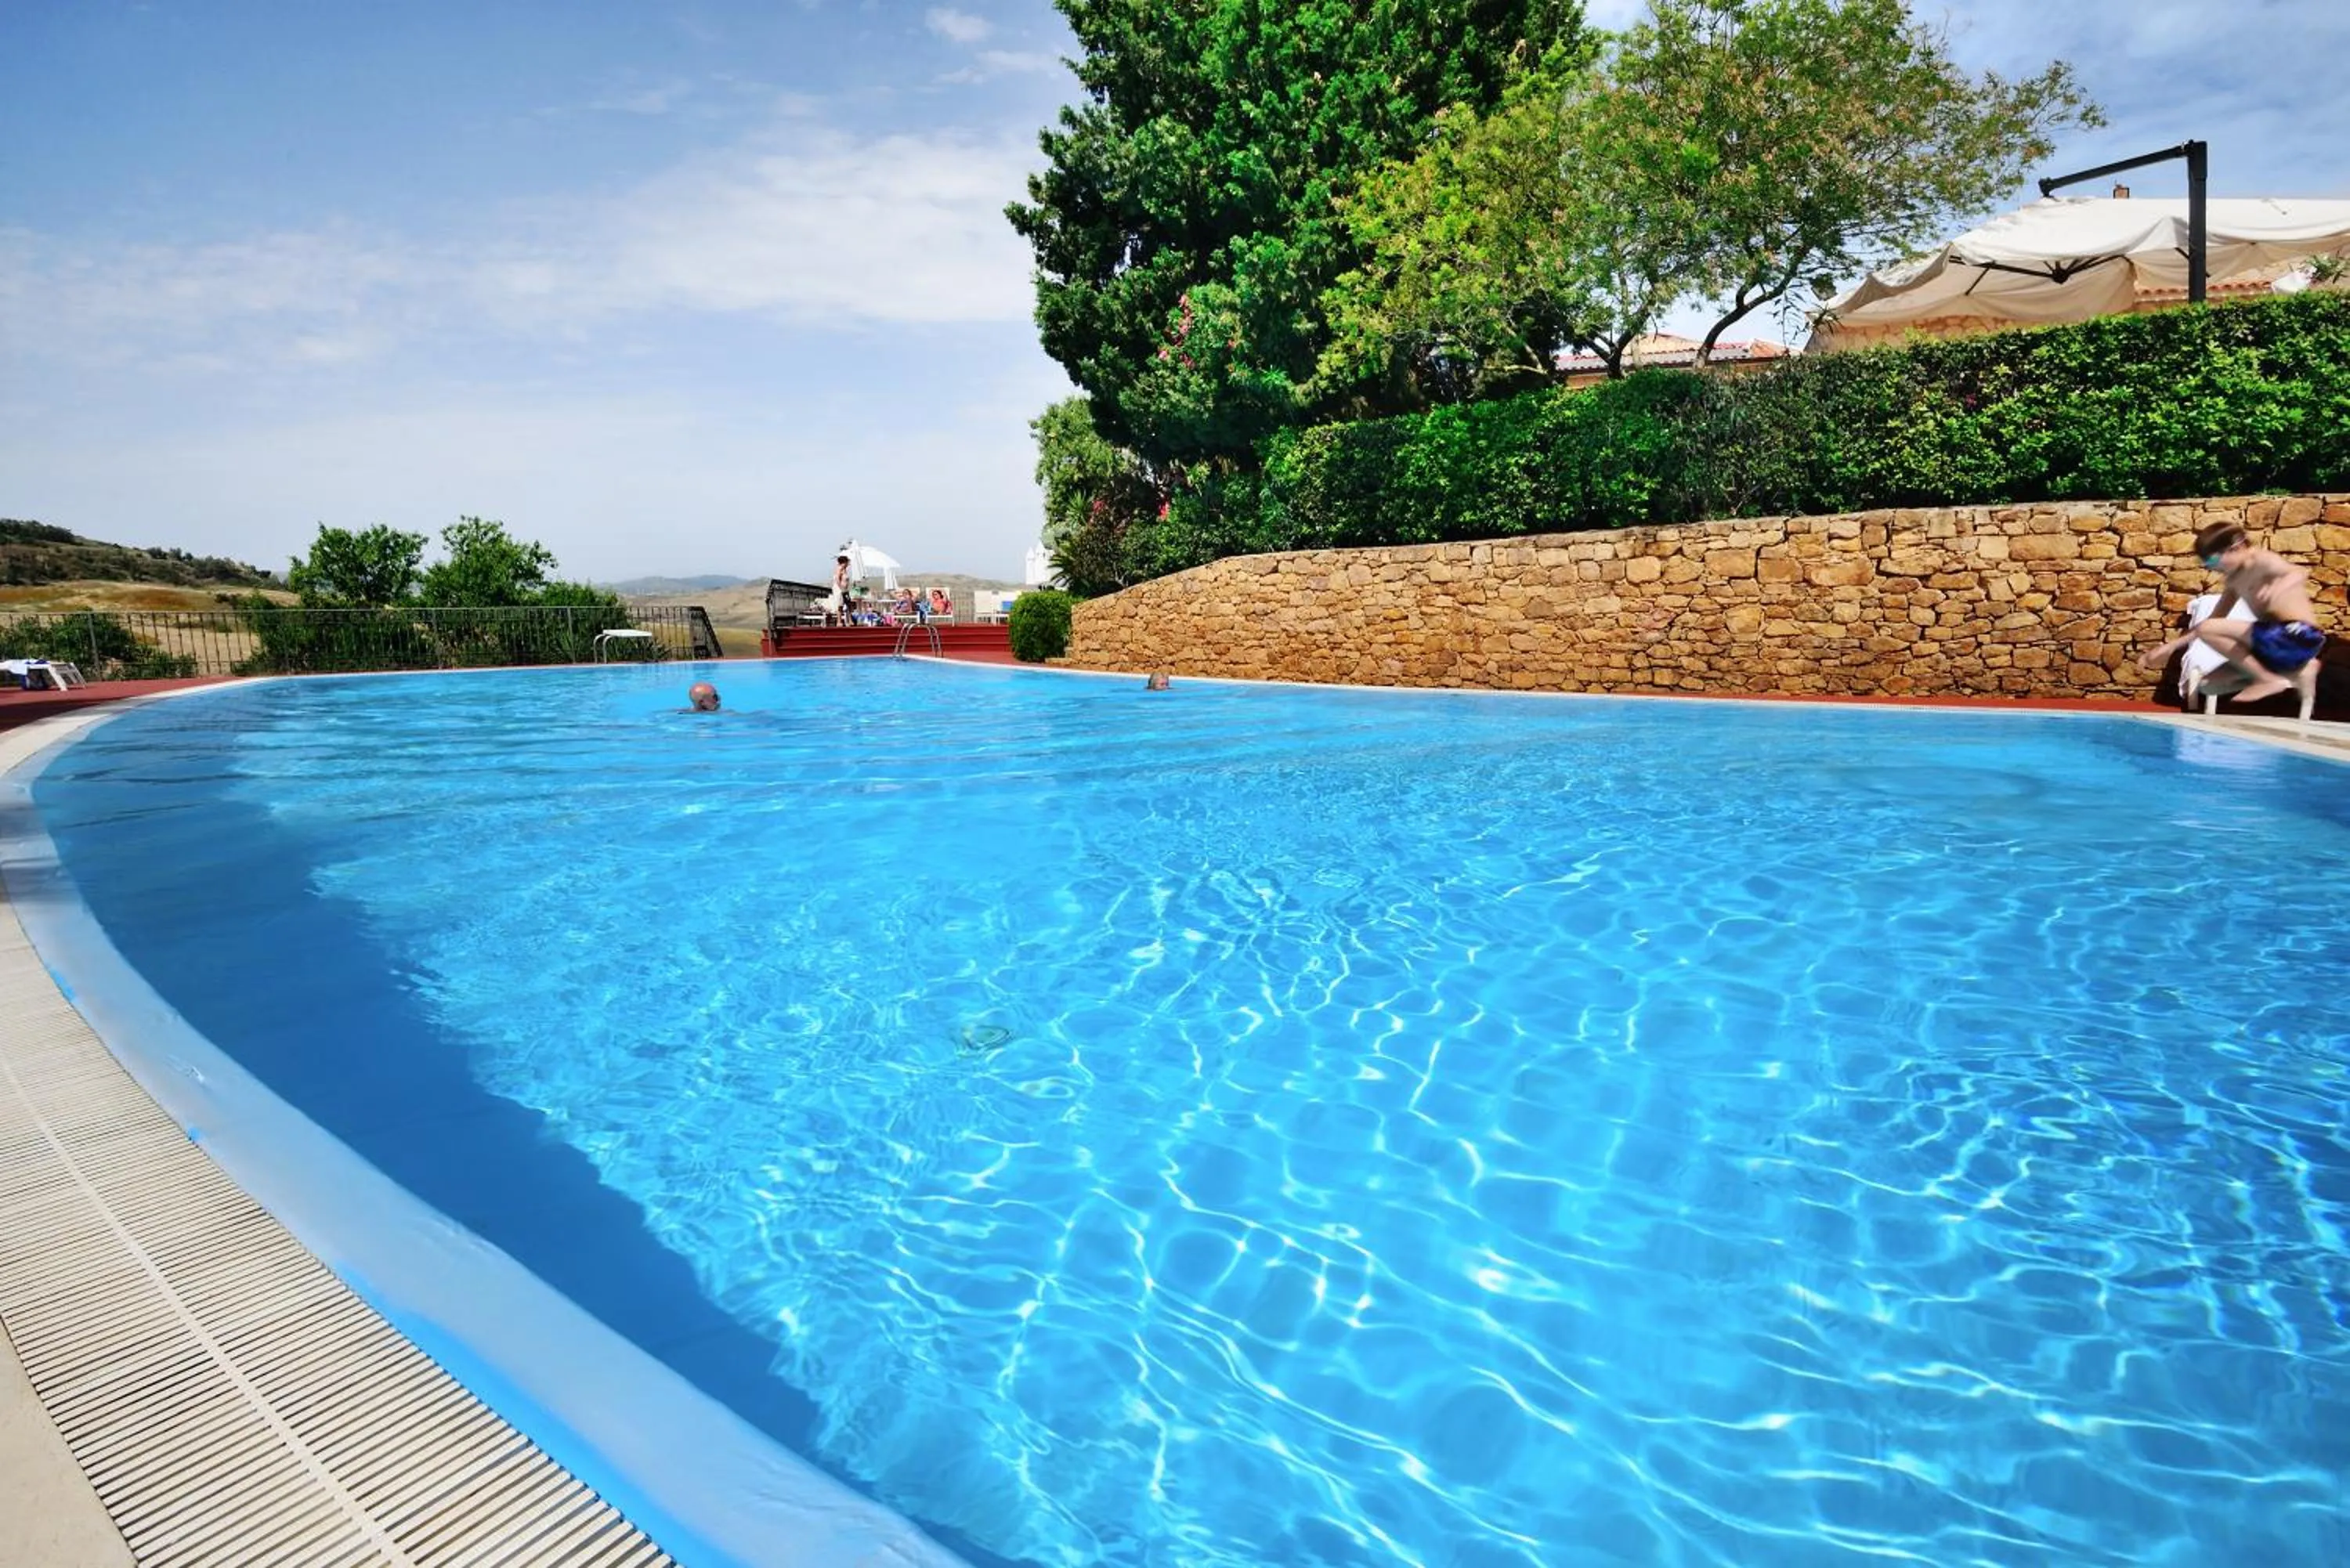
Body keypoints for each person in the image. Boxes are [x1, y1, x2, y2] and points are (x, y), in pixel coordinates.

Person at [2137, 522, 2326, 703]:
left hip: (2298, 634)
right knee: (2209, 685)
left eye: (2213, 561)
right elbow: (2214, 620)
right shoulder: (2234, 581)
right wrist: (2171, 647)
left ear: (2237, 547)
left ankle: (2268, 679)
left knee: (2209, 629)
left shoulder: (2260, 560)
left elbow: (2297, 573)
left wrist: (2277, 588)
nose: (2214, 568)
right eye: (2208, 564)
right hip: (2274, 643)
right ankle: (2298, 671)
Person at [829, 552, 853, 625]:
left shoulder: (845, 570)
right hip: (840, 589)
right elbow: (837, 579)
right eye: (847, 562)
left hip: (845, 589)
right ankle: (839, 622)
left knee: (849, 605)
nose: (848, 564)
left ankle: (850, 620)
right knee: (840, 605)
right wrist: (841, 588)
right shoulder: (839, 569)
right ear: (844, 562)